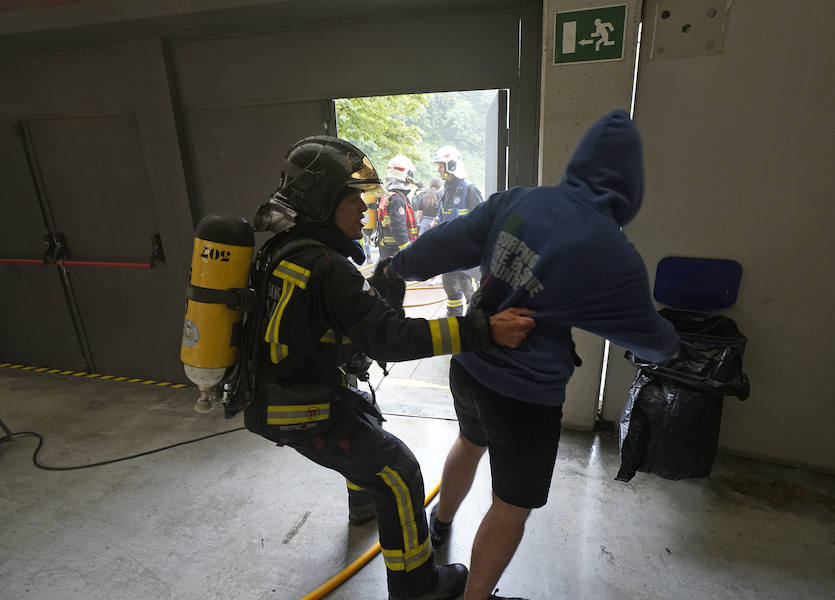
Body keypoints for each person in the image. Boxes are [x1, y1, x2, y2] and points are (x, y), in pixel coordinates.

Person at [383, 110, 681, 600]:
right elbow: (650, 340)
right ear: (632, 185)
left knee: (469, 442)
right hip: (524, 396)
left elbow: (443, 243)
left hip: (469, 360)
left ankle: (438, 524)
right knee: (510, 505)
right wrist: (675, 342)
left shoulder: (520, 200)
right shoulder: (611, 252)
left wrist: (397, 269)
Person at [238, 135, 535, 600]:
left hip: (278, 395)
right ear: (321, 201)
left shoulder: (282, 251)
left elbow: (315, 325)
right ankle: (418, 588)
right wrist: (481, 330)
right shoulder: (326, 267)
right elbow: (393, 339)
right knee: (398, 471)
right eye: (351, 196)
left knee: (365, 421)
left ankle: (362, 503)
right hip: (302, 408)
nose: (363, 206)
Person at [431, 146, 483, 316]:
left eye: (441, 166)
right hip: (448, 250)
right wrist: (436, 222)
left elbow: (481, 220)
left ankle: (475, 319)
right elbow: (442, 215)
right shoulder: (445, 190)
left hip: (465, 251)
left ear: (451, 165)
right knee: (449, 285)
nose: (438, 170)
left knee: (468, 288)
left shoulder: (469, 189)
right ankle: (454, 315)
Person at [376, 154, 420, 259]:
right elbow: (398, 227)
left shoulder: (390, 195)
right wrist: (407, 250)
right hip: (395, 249)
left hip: (388, 249)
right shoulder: (396, 199)